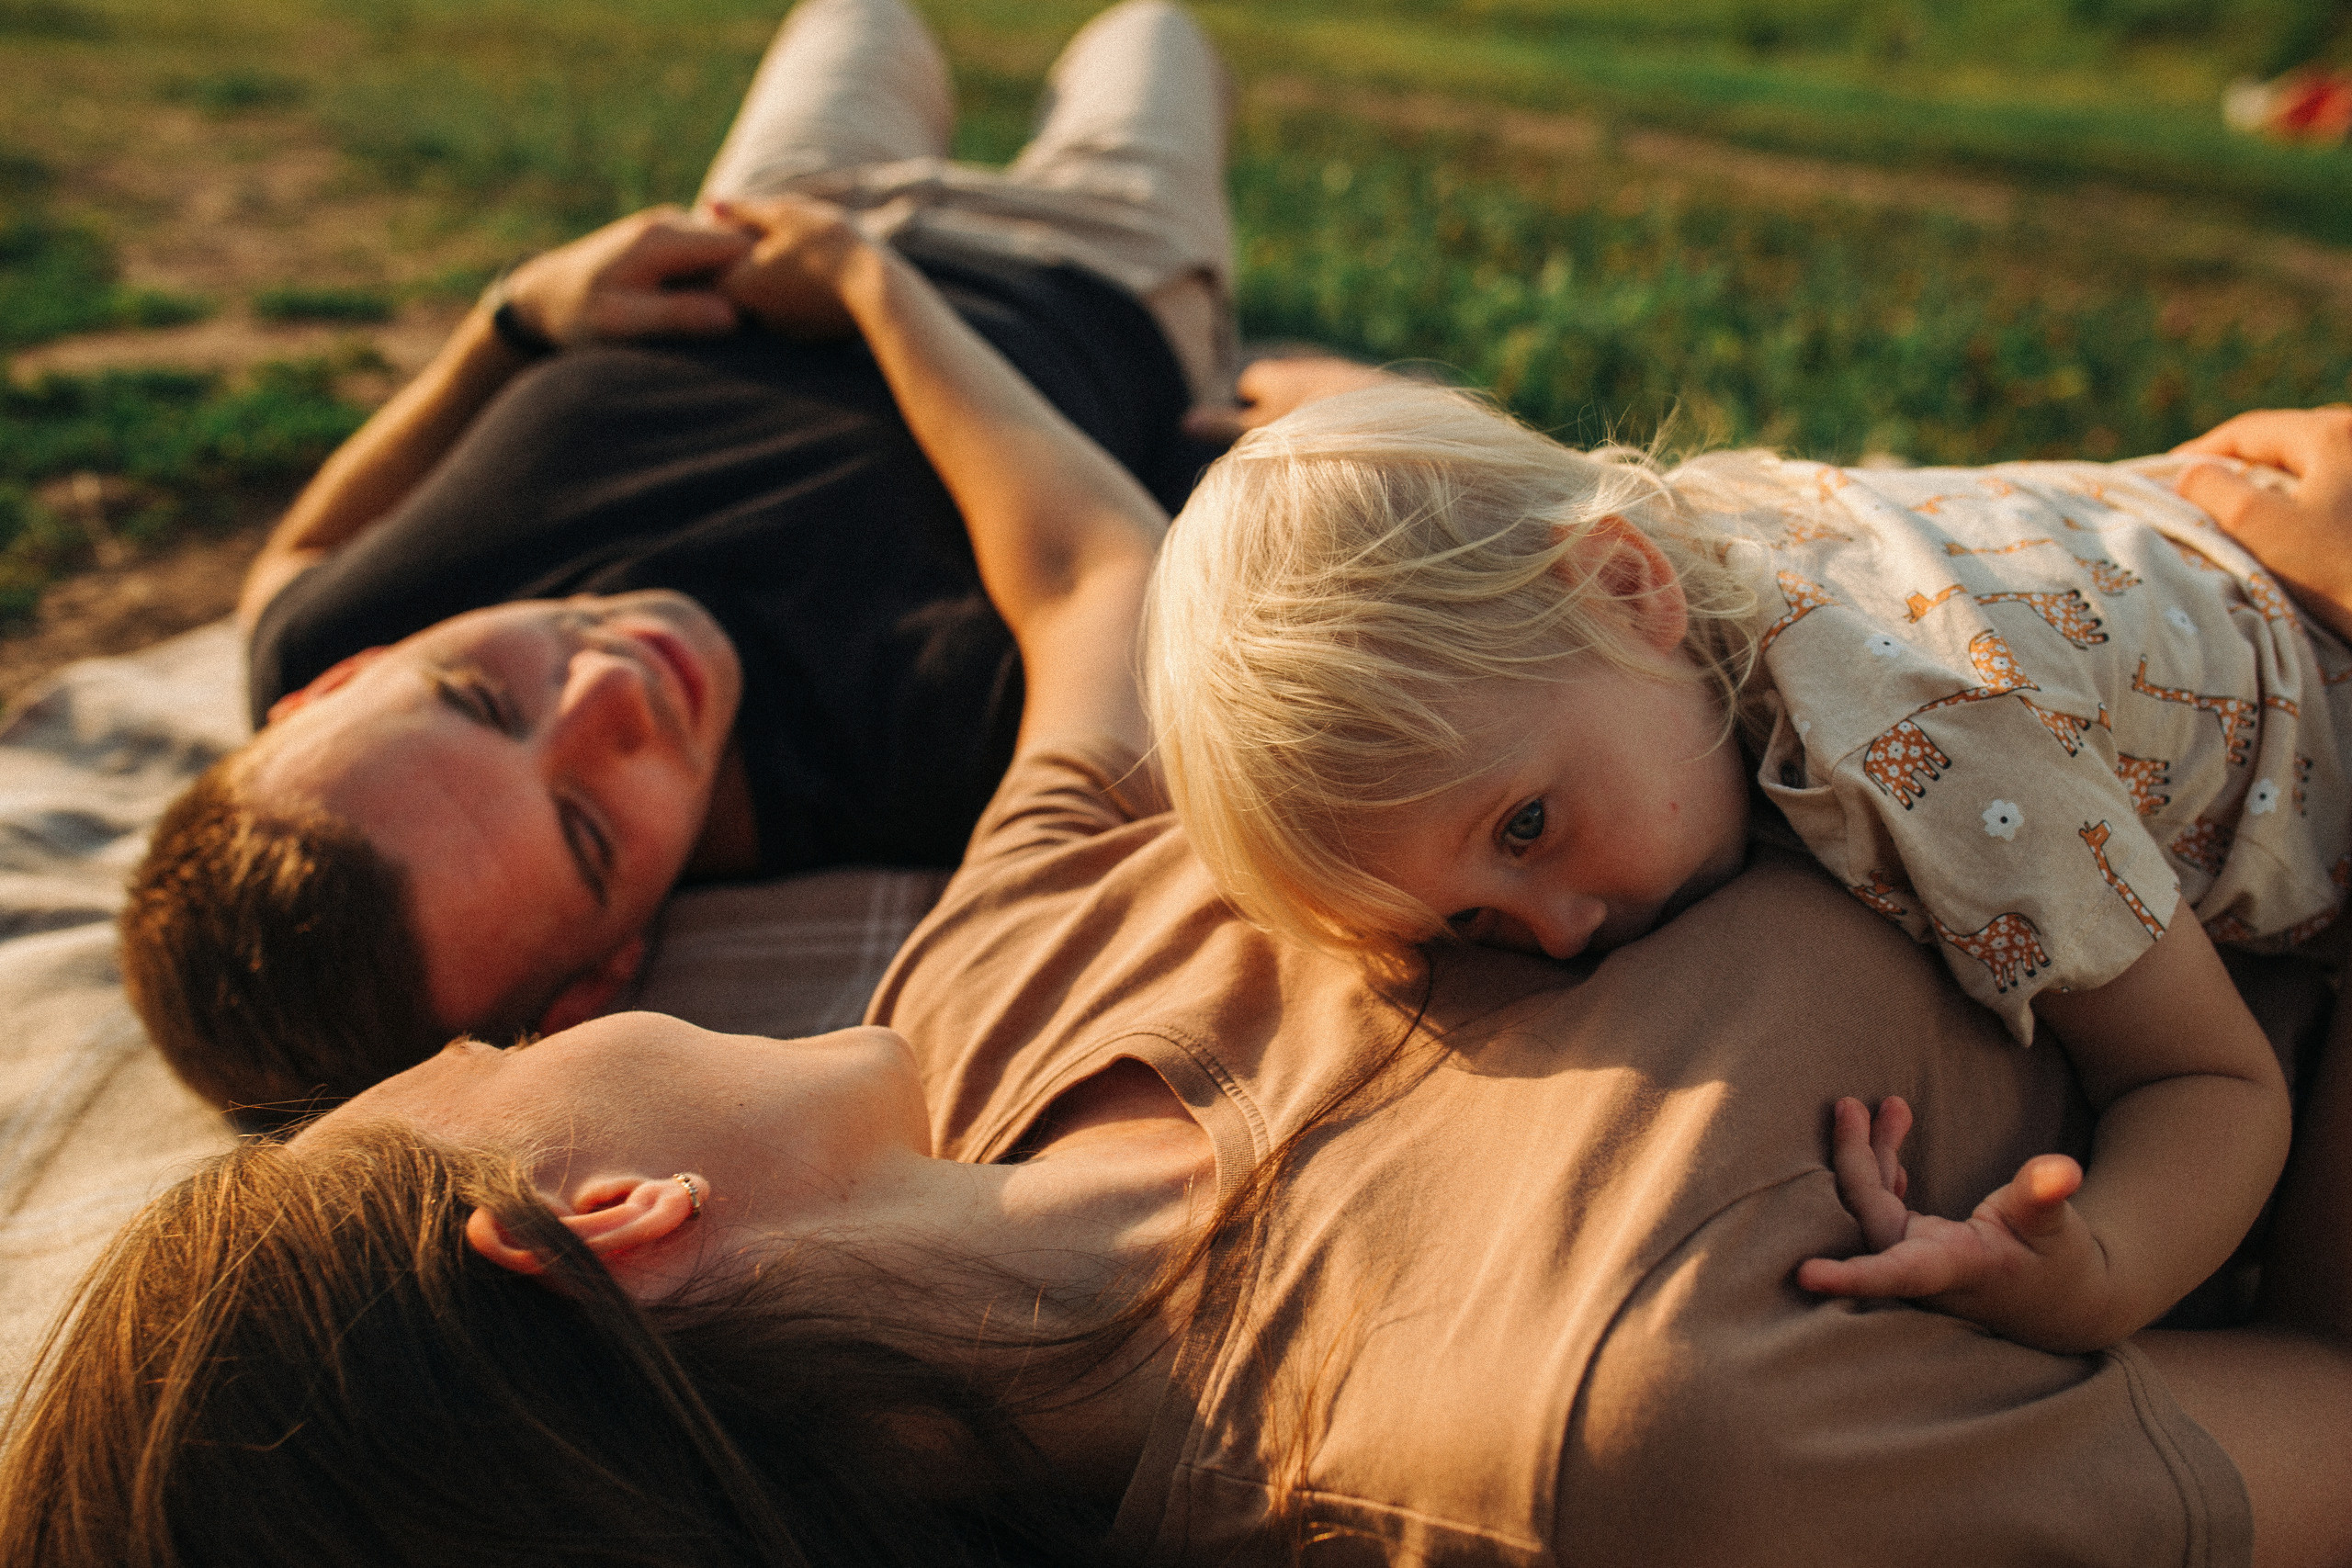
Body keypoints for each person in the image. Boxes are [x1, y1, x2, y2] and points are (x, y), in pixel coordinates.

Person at [7, 205, 2352, 1565]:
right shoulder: (1604, 1445)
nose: (504, 1031)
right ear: (602, 1205)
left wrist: (885, 294)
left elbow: (1096, 578)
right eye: (453, 1076)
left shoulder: (991, 983)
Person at [118, 0, 1234, 1119]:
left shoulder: (326, 635)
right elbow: (1103, 570)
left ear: (335, 685)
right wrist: (867, 289)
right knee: (1151, 29)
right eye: (586, 829)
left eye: (479, 695)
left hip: (763, 213)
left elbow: (296, 556)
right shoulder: (916, 754)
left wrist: (510, 322)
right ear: (599, 984)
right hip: (1094, 269)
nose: (613, 688)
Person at [1140, 381, 2352, 1353]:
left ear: (1629, 583)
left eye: (1525, 827)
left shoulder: (1936, 746)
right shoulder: (1644, 574)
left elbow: (2210, 1082)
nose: (1559, 929)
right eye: (1469, 919)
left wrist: (2099, 1269)